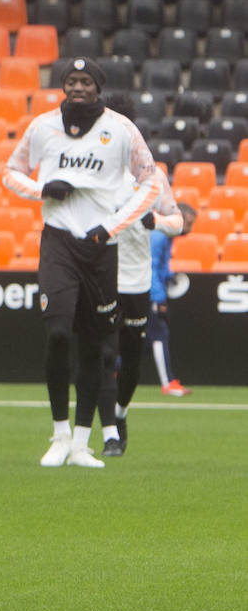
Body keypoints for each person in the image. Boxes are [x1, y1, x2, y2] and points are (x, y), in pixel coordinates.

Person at [3, 57, 159, 469]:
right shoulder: (43, 126)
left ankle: (81, 444)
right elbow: (10, 172)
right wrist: (40, 188)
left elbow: (151, 181)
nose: (77, 88)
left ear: (98, 87)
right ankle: (58, 435)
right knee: (57, 333)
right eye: (70, 81)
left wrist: (112, 226)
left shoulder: (121, 129)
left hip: (101, 247)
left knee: (94, 346)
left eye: (85, 82)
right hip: (58, 241)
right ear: (62, 85)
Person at [95, 93, 184, 457]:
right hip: (100, 276)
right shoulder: (94, 172)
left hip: (136, 278)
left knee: (131, 359)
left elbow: (176, 221)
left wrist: (157, 222)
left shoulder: (152, 176)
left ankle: (121, 412)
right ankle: (109, 435)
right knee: (100, 355)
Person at [148, 202, 197, 397]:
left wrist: (170, 276)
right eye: (189, 223)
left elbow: (161, 268)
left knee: (143, 341)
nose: (190, 229)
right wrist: (158, 299)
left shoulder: (166, 237)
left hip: (153, 292)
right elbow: (151, 269)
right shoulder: (159, 236)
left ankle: (112, 370)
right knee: (159, 334)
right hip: (149, 294)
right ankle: (168, 383)